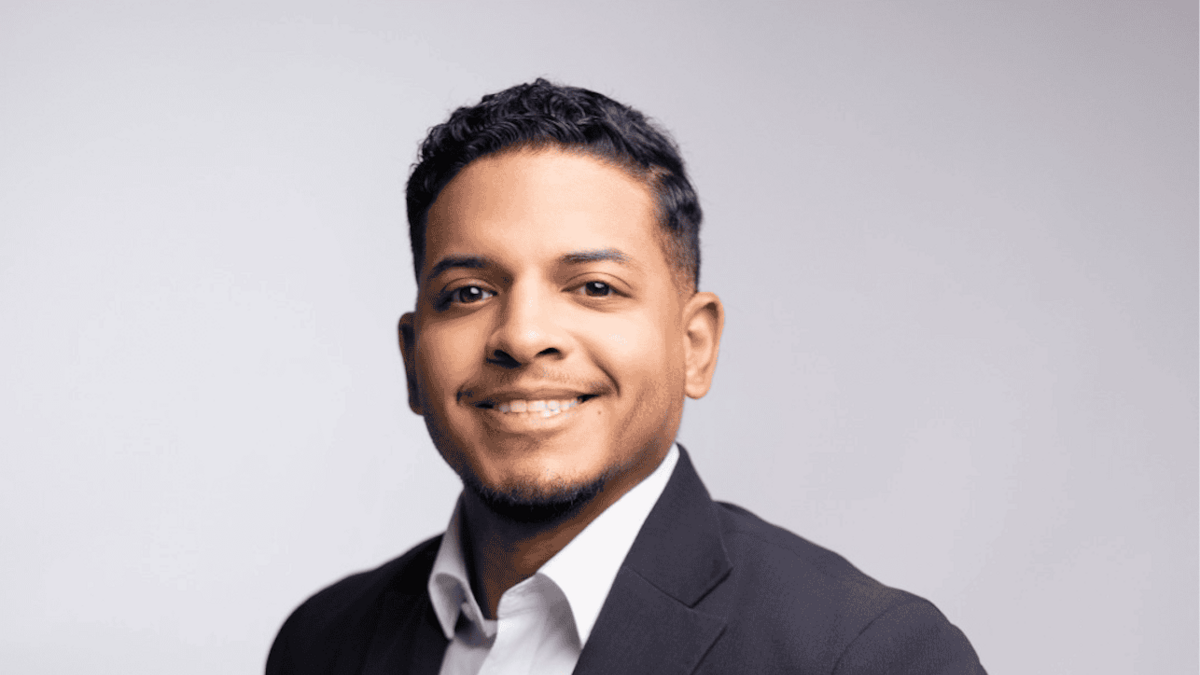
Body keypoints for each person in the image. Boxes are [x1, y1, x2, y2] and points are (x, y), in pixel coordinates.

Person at [266, 79, 987, 675]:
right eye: (469, 293)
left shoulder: (864, 655)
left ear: (694, 345)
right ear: (412, 360)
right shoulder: (321, 642)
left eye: (594, 287)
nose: (523, 336)